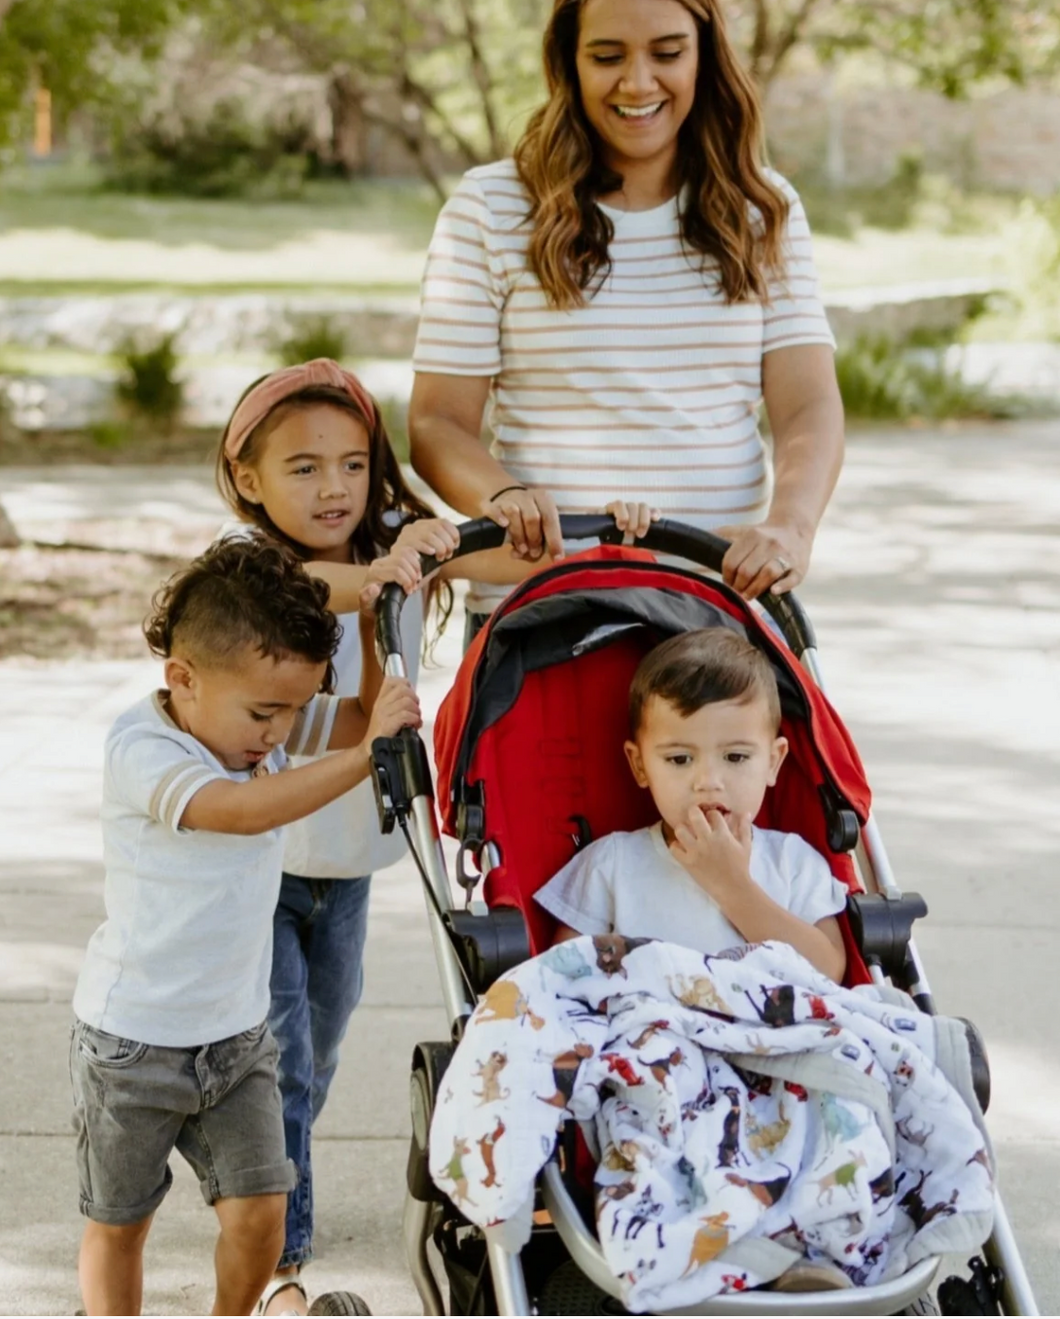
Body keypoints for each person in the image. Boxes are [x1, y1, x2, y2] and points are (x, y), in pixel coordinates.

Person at [214, 356, 659, 1314]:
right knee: (281, 1049)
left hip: (348, 864)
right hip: (256, 860)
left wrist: (603, 534)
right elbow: (310, 594)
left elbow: (519, 560)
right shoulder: (247, 569)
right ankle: (277, 1243)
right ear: (248, 479)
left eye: (350, 463)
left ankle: (254, 1157)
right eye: (302, 468)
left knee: (318, 1043)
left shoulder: (392, 548)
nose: (332, 486)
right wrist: (386, 573)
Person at [409, 0, 845, 648]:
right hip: (541, 620)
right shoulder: (491, 207)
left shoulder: (763, 208)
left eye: (666, 53)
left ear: (704, 56)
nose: (637, 82)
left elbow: (807, 404)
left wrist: (790, 527)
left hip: (714, 619)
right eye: (607, 56)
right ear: (568, 62)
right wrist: (503, 495)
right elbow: (436, 422)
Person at [69, 535, 421, 1317]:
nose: (279, 731)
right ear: (182, 678)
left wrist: (368, 615)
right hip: (133, 1042)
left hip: (234, 1037)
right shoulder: (144, 748)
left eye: (294, 709)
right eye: (266, 712)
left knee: (262, 1211)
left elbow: (359, 715)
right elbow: (241, 809)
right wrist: (365, 757)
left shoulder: (254, 719)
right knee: (120, 1221)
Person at [535, 628, 847, 980]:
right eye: (680, 759)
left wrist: (733, 887)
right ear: (640, 765)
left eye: (735, 756)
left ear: (773, 762)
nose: (708, 781)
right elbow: (559, 983)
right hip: (651, 1027)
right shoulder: (611, 865)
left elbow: (827, 974)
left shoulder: (791, 861)